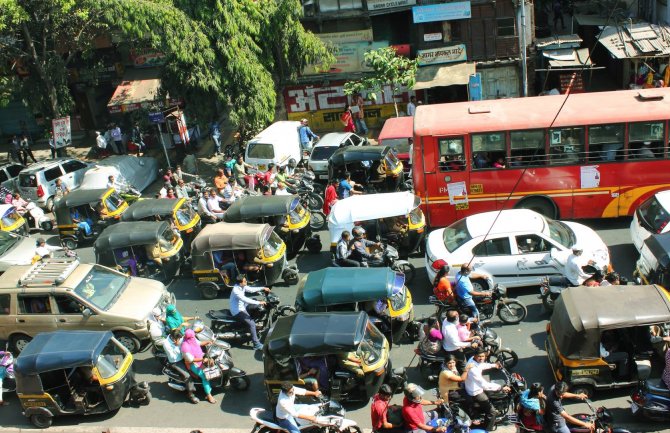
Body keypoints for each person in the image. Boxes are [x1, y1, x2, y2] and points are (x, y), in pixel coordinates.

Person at [464, 349, 511, 431]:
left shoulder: (473, 360)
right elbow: (484, 385)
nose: (481, 358)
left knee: (492, 389)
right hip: (475, 391)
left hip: (476, 386)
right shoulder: (473, 370)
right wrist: (501, 387)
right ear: (475, 356)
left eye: (483, 356)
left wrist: (493, 365)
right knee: (492, 412)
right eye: (479, 356)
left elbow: (482, 365)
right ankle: (487, 428)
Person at [231, 275, 270, 351]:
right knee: (252, 324)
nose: (246, 282)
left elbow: (251, 289)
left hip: (242, 305)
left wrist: (263, 288)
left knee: (254, 301)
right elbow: (245, 299)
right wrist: (259, 302)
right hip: (238, 310)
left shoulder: (242, 286)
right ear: (240, 283)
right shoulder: (236, 290)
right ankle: (256, 344)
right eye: (245, 281)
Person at [180, 329, 216, 404]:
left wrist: (208, 341)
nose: (193, 338)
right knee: (205, 376)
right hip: (193, 364)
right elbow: (191, 360)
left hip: (201, 358)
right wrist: (203, 359)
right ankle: (209, 395)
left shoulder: (192, 339)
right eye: (192, 336)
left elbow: (199, 343)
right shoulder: (185, 346)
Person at [163, 329, 199, 404]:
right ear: (173, 338)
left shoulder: (179, 337)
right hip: (176, 361)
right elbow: (173, 356)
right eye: (179, 339)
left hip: (185, 356)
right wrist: (178, 346)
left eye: (180, 338)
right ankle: (191, 394)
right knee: (187, 376)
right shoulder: (166, 344)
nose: (180, 340)